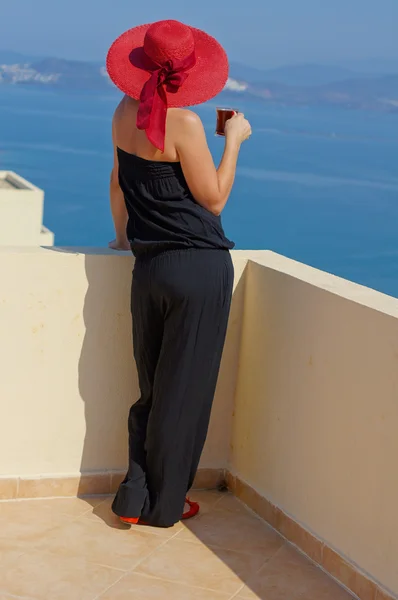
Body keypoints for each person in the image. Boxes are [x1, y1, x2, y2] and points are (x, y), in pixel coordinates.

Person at [107, 19, 251, 528]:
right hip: (198, 268)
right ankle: (165, 506)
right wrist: (233, 140)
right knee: (184, 392)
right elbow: (212, 200)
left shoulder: (124, 112)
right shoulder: (185, 124)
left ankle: (134, 496)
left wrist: (124, 238)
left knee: (151, 387)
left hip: (149, 267)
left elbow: (119, 184)